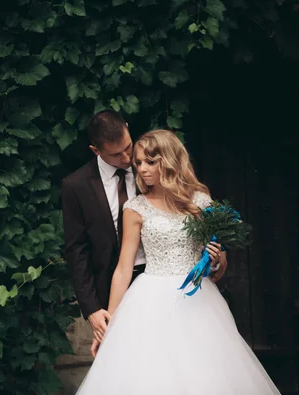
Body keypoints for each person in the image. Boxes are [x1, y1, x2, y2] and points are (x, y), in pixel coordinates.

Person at [72, 130, 283, 395]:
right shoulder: (136, 208)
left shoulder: (200, 203)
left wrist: (217, 259)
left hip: (199, 301)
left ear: (169, 160)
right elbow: (124, 268)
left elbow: (218, 269)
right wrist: (108, 328)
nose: (142, 169)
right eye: (138, 163)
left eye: (150, 161)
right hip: (150, 302)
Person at [61, 110, 227, 342]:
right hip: (130, 289)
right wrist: (93, 310)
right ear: (96, 151)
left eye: (128, 148)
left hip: (186, 289)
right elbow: (77, 250)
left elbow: (207, 246)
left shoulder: (153, 166)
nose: (130, 161)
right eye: (117, 154)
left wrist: (216, 259)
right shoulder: (76, 186)